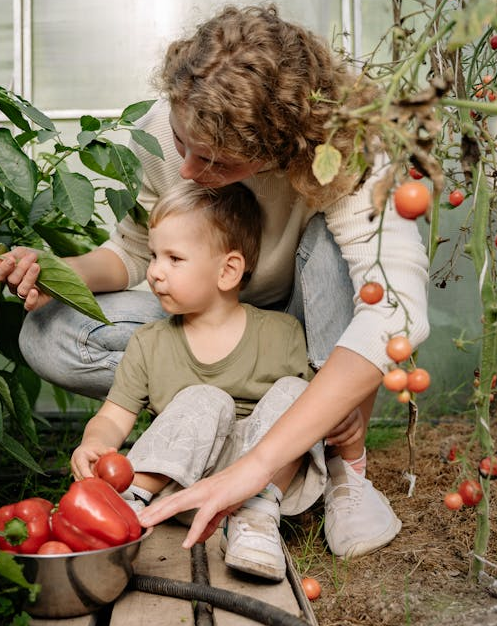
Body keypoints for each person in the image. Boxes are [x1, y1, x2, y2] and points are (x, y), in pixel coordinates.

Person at [0, 4, 429, 557]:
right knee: (49, 331)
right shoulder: (163, 129)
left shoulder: (347, 150)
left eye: (220, 163)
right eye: (183, 146)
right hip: (205, 316)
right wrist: (56, 272)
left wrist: (257, 467)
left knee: (342, 260)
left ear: (280, 149)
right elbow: (132, 253)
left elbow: (397, 310)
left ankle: (341, 465)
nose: (192, 174)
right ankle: (214, 423)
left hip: (302, 332)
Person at [69, 180, 325, 581]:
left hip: (257, 484)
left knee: (300, 394)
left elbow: (315, 420)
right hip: (178, 483)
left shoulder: (282, 334)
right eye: (154, 256)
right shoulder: (149, 342)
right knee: (208, 399)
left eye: (174, 258)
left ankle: (256, 520)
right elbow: (114, 417)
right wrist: (94, 444)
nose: (154, 272)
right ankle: (132, 501)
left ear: (227, 271)